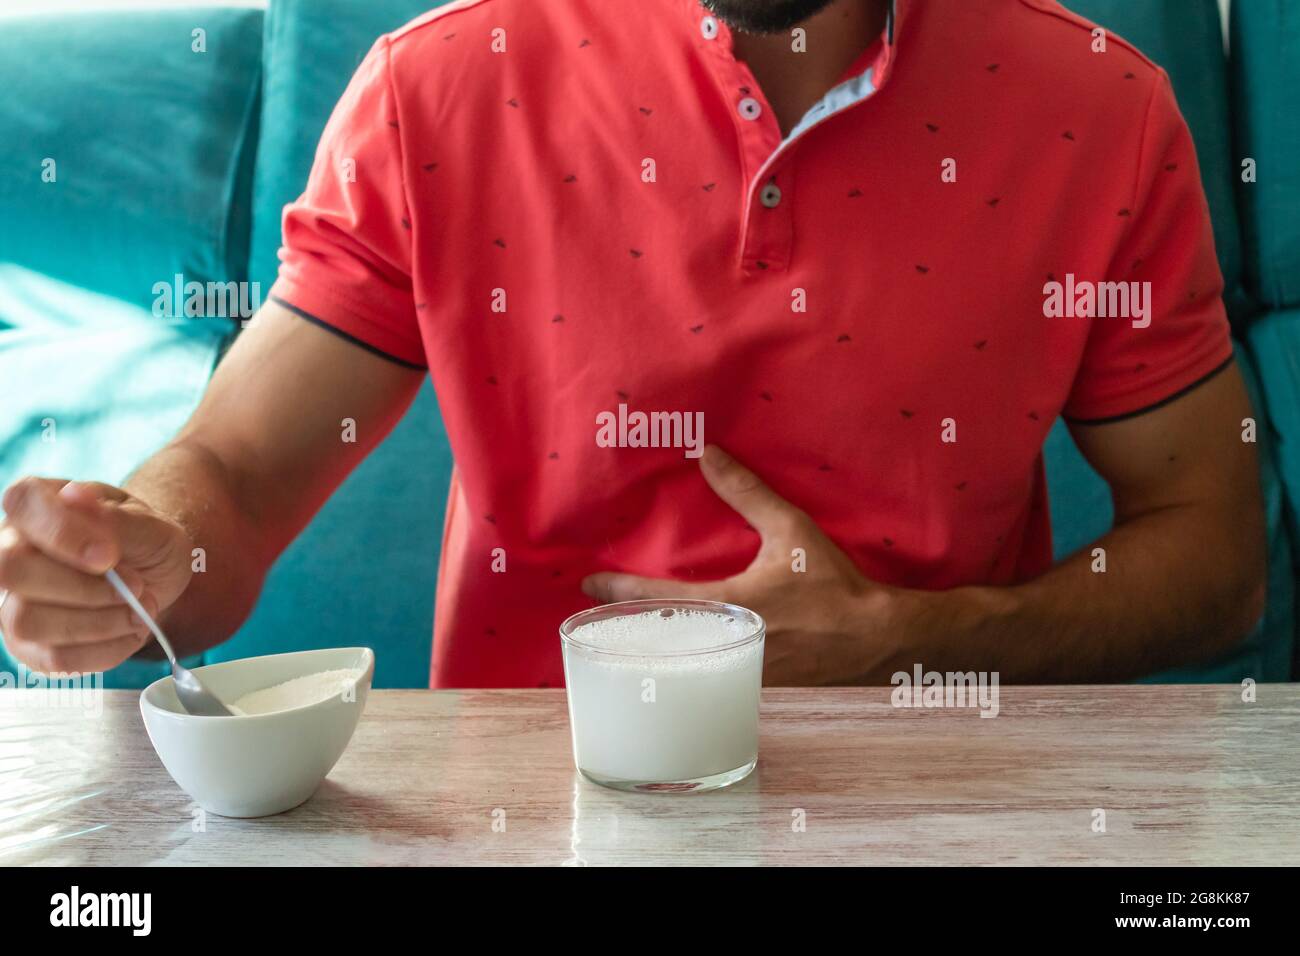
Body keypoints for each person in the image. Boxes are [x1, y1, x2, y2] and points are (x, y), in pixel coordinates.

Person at [0, 0, 1266, 687]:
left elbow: (1216, 558)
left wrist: (909, 641)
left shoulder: (1100, 111)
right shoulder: (432, 91)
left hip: (940, 792)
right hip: (529, 819)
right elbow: (231, 475)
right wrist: (139, 556)